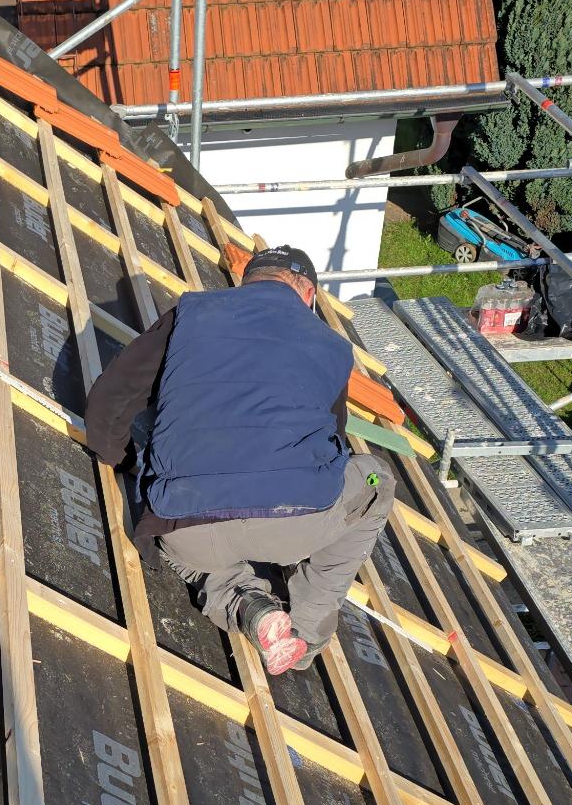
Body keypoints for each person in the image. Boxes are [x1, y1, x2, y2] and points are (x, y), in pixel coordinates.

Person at [83, 244, 394, 676]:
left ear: (247, 282)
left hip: (186, 525)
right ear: (308, 294)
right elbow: (332, 448)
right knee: (377, 481)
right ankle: (305, 635)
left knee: (191, 556)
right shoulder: (334, 348)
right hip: (294, 524)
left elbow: (108, 401)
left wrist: (126, 462)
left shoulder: (192, 313)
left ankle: (249, 605)